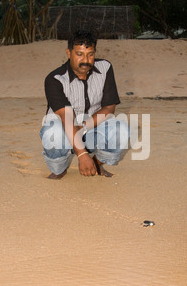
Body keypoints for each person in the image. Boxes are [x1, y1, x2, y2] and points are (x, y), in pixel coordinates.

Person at [40, 30, 130, 179]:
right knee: (53, 135)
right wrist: (82, 155)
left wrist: (83, 127)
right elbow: (66, 118)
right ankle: (60, 169)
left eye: (90, 54)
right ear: (69, 53)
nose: (86, 60)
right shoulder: (55, 79)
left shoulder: (105, 68)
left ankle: (96, 164)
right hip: (62, 127)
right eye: (79, 54)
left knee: (122, 130)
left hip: (90, 127)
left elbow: (109, 108)